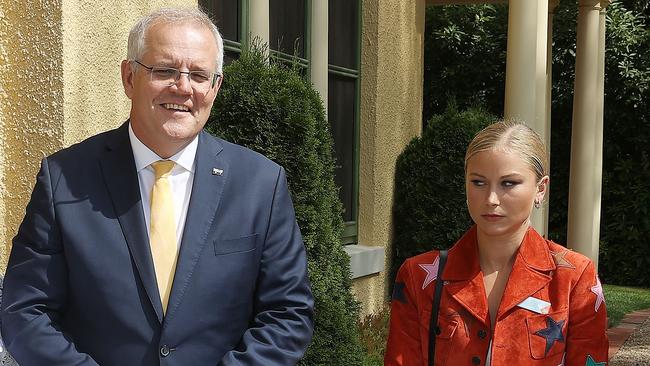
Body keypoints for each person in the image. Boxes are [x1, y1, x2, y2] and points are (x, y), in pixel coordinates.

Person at [1, 8, 313, 366]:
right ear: (129, 77)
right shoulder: (64, 178)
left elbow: (288, 314)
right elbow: (24, 311)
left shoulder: (261, 184)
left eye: (198, 74)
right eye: (165, 70)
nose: (182, 88)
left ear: (215, 87)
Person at [384, 121, 608, 365]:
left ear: (541, 188)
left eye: (508, 183)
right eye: (478, 182)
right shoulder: (419, 277)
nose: (491, 199)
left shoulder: (573, 279)